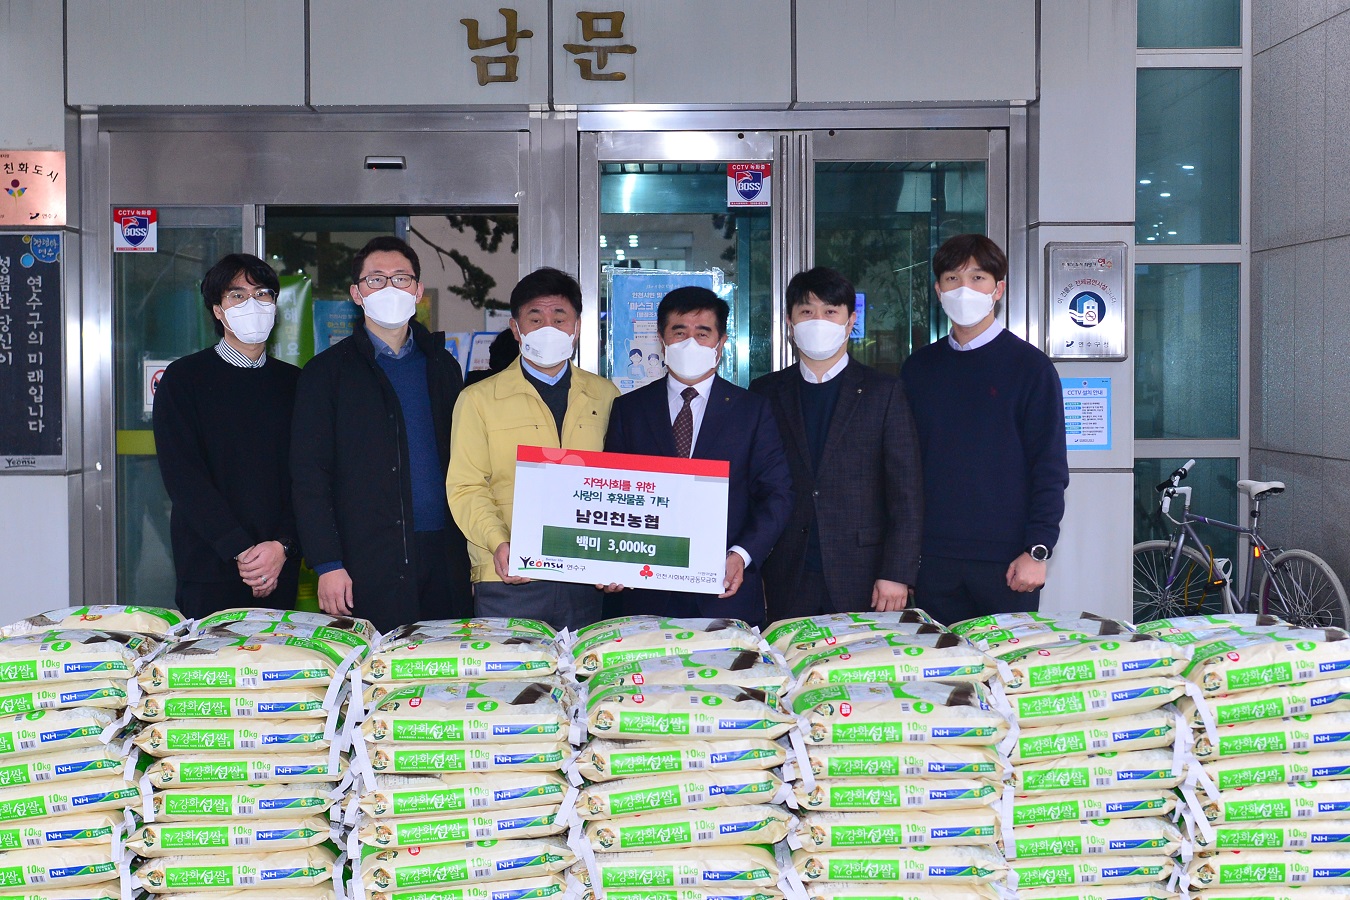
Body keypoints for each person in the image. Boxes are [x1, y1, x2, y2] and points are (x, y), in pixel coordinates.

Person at [291, 236, 472, 633]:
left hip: (443, 554)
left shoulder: (443, 367)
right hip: (365, 560)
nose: (390, 288)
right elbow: (309, 476)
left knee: (442, 675)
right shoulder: (326, 374)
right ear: (357, 294)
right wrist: (327, 563)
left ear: (418, 291)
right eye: (376, 280)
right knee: (373, 679)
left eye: (401, 278)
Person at [900, 233, 1070, 624]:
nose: (964, 290)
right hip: (933, 561)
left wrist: (1038, 549)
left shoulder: (1031, 369)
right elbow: (903, 470)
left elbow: (1049, 469)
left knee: (1007, 674)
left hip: (1008, 563)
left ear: (999, 289)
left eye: (977, 278)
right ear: (938, 290)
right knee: (943, 676)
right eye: (952, 279)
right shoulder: (919, 369)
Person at [604, 286, 792, 627]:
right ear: (662, 340)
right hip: (644, 595)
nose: (690, 343)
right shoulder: (629, 410)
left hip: (724, 594)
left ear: (720, 344)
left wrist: (742, 555)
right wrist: (610, 560)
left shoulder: (752, 411)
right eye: (680, 332)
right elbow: (613, 494)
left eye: (702, 333)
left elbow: (776, 495)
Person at [447, 267, 620, 631]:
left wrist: (616, 556)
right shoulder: (479, 399)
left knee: (583, 680)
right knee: (514, 685)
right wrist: (498, 543)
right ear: (516, 328)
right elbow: (466, 486)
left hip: (584, 579)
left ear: (577, 326)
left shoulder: (605, 395)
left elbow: (619, 483)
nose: (548, 328)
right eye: (535, 318)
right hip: (508, 577)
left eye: (560, 318)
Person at [749, 267, 923, 622]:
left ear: (850, 321)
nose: (818, 321)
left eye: (830, 312)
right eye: (806, 312)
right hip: (786, 573)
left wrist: (897, 572)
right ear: (790, 322)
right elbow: (754, 488)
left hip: (865, 574)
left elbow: (907, 492)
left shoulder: (883, 392)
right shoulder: (766, 393)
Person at [152, 253, 301, 618]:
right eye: (238, 295)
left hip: (279, 568)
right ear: (218, 311)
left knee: (280, 670)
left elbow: (308, 475)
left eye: (263, 294)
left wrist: (282, 546)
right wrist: (241, 551)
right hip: (209, 568)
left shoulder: (297, 384)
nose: (253, 303)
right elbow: (183, 476)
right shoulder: (184, 380)